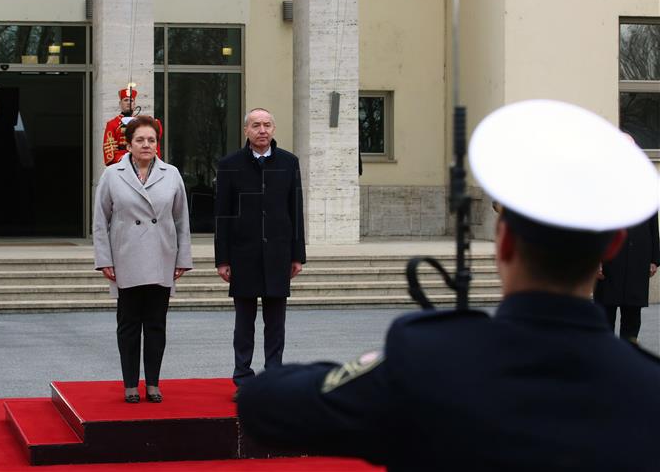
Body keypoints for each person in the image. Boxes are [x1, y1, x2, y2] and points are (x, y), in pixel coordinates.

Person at [237, 99, 660, 471]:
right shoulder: (647, 388)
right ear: (614, 245)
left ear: (504, 240)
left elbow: (264, 406)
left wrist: (399, 361)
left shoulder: (428, 358)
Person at [93, 115, 192, 403]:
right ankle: (129, 385)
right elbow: (101, 221)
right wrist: (104, 258)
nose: (146, 145)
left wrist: (182, 257)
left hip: (161, 256)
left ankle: (153, 383)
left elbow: (181, 219)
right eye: (140, 140)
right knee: (128, 324)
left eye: (151, 140)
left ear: (157, 144)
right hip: (126, 257)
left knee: (156, 324)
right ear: (129, 144)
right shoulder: (112, 174)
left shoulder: (171, 173)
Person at [214, 108, 306, 396]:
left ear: (274, 129)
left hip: (279, 254)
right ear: (246, 131)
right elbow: (223, 216)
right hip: (244, 255)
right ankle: (243, 377)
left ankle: (273, 377)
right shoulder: (230, 164)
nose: (262, 130)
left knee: (276, 324)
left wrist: (297, 255)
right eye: (256, 125)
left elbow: (296, 211)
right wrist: (223, 259)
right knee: (244, 324)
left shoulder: (289, 163)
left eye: (267, 124)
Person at [594, 213, 659, 341]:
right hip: (609, 259)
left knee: (632, 315)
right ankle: (604, 356)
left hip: (638, 258)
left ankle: (628, 355)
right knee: (605, 314)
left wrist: (654, 259)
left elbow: (653, 224)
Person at [102, 87, 162, 166]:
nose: (128, 103)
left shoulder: (142, 122)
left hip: (141, 158)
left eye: (131, 100)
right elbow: (110, 150)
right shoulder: (112, 124)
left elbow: (156, 134)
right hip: (121, 161)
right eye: (126, 100)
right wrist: (124, 160)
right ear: (120, 103)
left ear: (134, 104)